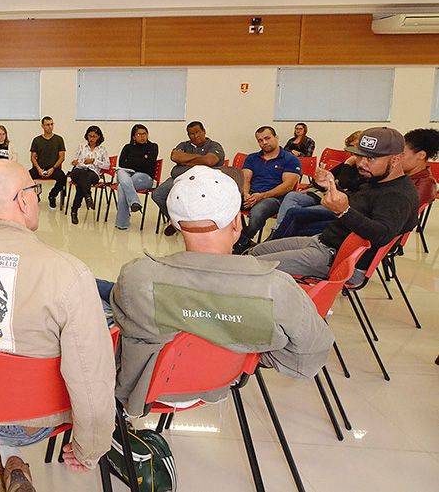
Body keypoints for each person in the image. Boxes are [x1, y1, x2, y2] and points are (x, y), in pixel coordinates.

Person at [0, 160, 115, 492]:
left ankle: (6, 459)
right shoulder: (68, 272)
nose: (37, 198)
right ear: (23, 199)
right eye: (34, 190)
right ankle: (12, 459)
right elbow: (90, 375)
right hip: (37, 420)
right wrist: (90, 449)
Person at [104, 165, 333, 417]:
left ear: (174, 223)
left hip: (145, 390)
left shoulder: (137, 276)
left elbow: (123, 324)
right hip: (224, 381)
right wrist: (248, 351)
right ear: (236, 222)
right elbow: (308, 359)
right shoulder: (277, 288)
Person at [251, 127, 421, 285]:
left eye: (371, 158)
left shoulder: (397, 195)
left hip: (338, 260)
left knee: (253, 268)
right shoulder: (376, 179)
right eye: (360, 156)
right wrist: (332, 187)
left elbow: (382, 234)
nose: (361, 163)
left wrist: (343, 211)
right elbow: (360, 201)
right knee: (254, 253)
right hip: (323, 242)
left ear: (396, 159)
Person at [271, 130, 364, 238]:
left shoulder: (360, 168)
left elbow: (344, 184)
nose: (353, 151)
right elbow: (323, 180)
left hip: (339, 203)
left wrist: (347, 165)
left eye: (356, 146)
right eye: (351, 147)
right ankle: (276, 231)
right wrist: (319, 178)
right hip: (322, 195)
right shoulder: (348, 164)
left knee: (294, 214)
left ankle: (276, 240)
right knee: (292, 196)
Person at [232, 126, 302, 253]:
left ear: (276, 138)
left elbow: (288, 186)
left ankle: (242, 240)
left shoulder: (290, 159)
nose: (264, 143)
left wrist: (261, 196)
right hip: (251, 196)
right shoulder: (252, 158)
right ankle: (234, 240)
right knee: (226, 203)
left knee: (259, 211)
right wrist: (246, 194)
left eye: (267, 138)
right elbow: (245, 179)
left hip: (273, 199)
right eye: (260, 140)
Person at [152, 121, 226, 236]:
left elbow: (210, 161)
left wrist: (185, 161)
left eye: (198, 132)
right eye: (191, 134)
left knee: (192, 198)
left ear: (204, 131)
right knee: (158, 195)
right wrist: (200, 159)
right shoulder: (184, 145)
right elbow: (175, 156)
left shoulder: (214, 146)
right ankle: (176, 222)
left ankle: (192, 225)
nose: (195, 136)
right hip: (179, 178)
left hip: (203, 182)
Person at [115, 124, 158, 230]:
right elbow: (122, 163)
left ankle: (122, 223)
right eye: (139, 134)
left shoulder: (153, 147)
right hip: (127, 173)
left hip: (145, 176)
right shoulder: (127, 147)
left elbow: (149, 163)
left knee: (122, 187)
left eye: (144, 134)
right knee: (120, 171)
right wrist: (142, 159)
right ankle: (134, 202)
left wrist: (131, 161)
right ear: (133, 137)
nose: (142, 136)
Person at [68, 125, 111, 225]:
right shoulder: (81, 147)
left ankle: (74, 210)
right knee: (82, 174)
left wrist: (94, 161)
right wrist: (75, 162)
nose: (91, 139)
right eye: (90, 136)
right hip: (78, 171)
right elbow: (75, 160)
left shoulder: (102, 150)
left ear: (99, 137)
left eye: (94, 136)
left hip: (93, 174)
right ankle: (87, 195)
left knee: (82, 183)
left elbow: (107, 166)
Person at [28, 115, 67, 210]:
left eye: (51, 124)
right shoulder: (37, 140)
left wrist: (53, 168)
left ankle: (52, 195)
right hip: (39, 168)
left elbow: (62, 157)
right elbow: (33, 157)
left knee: (63, 178)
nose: (50, 126)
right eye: (47, 125)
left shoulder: (59, 139)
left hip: (53, 168)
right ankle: (35, 194)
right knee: (26, 177)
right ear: (42, 126)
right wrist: (38, 169)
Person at [400, 128, 439, 206]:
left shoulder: (426, 184)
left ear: (421, 155)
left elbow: (400, 211)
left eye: (402, 154)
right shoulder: (404, 176)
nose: (396, 158)